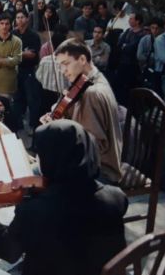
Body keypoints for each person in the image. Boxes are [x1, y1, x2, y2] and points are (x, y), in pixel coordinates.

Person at [0, 120, 128, 275]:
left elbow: (8, 247)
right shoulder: (116, 198)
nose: (37, 159)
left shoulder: (36, 211)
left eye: (40, 154)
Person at [41, 39, 123, 184]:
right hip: (88, 163)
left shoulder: (91, 93)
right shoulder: (90, 80)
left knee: (39, 175)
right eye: (60, 66)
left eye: (66, 64)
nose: (63, 71)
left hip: (99, 170)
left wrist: (60, 129)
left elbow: (93, 145)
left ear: (83, 59)